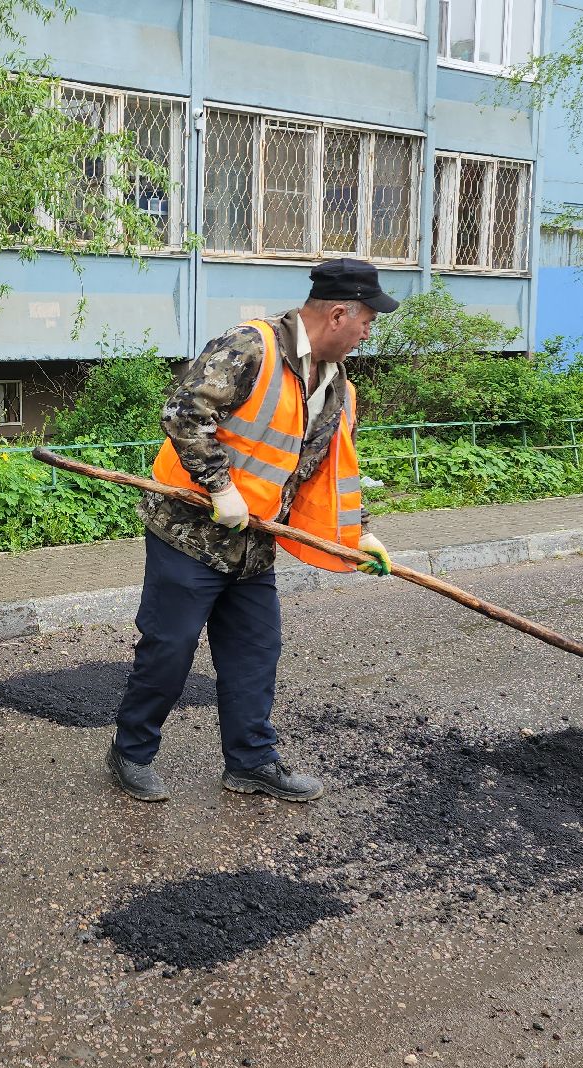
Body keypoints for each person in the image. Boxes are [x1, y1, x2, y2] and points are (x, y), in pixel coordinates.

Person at [107, 258, 398, 803]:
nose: (367, 332)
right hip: (189, 535)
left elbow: (331, 471)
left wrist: (357, 533)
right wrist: (220, 487)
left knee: (255, 655)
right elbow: (183, 412)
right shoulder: (252, 347)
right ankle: (131, 751)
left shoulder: (337, 390)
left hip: (254, 547)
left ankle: (251, 762)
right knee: (169, 650)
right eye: (366, 321)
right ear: (338, 314)